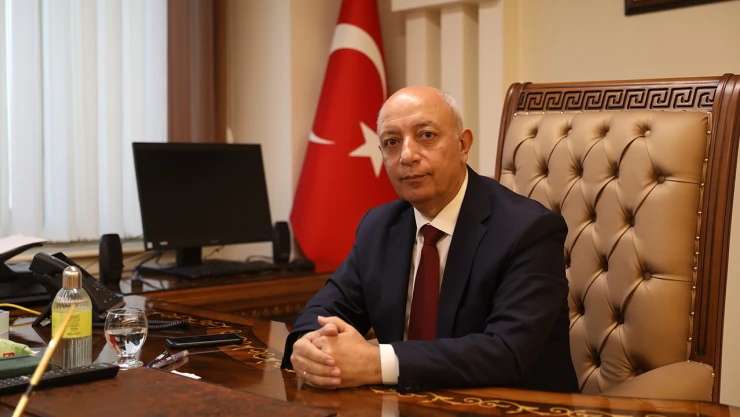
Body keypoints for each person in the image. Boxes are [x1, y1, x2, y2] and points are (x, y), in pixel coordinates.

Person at [282, 86, 578, 394]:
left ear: (463, 145)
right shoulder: (379, 227)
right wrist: (308, 345)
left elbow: (507, 351)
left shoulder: (528, 230)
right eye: (392, 142)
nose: (407, 155)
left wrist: (376, 362)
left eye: (426, 135)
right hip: (402, 404)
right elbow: (324, 310)